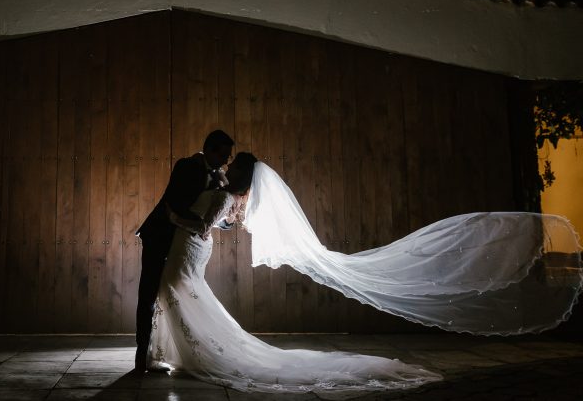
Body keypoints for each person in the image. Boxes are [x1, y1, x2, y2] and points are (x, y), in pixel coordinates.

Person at [148, 152, 582, 396]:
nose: (225, 170)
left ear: (239, 172)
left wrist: (175, 216)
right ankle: (176, 351)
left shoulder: (225, 195)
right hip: (193, 250)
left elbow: (209, 222)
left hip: (191, 246)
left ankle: (185, 352)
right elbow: (222, 220)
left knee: (181, 294)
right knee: (183, 295)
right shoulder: (228, 193)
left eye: (230, 167)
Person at [133, 129, 234, 373]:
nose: (226, 161)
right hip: (161, 234)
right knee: (149, 292)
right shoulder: (187, 166)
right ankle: (141, 356)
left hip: (184, 240)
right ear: (209, 149)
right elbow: (177, 203)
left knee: (176, 294)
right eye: (223, 155)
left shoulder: (218, 175)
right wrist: (202, 224)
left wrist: (219, 220)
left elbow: (213, 209)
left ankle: (166, 351)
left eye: (228, 157)